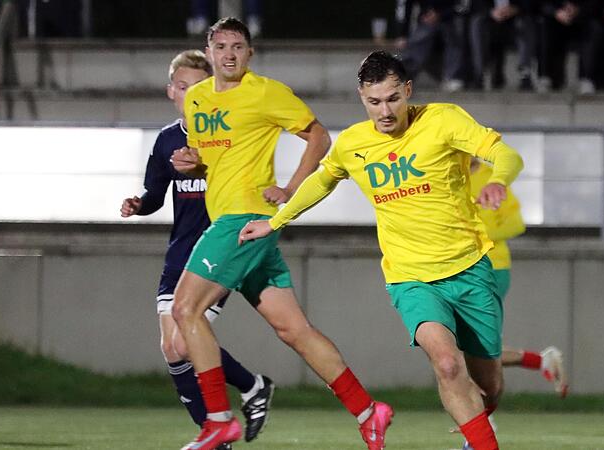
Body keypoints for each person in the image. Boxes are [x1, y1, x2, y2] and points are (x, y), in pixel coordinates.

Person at [240, 50, 525, 450]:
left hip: (470, 267)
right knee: (445, 362)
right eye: (374, 101)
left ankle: (480, 418)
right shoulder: (354, 143)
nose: (385, 110)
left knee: (489, 382)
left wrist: (499, 180)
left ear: (407, 90)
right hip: (410, 277)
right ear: (362, 97)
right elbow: (323, 181)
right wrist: (275, 221)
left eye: (393, 98)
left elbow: (505, 153)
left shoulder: (443, 120)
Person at [170, 18, 394, 450]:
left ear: (250, 53)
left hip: (245, 220)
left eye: (238, 46)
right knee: (294, 331)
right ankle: (369, 411)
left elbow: (319, 137)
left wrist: (291, 191)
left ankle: (218, 419)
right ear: (210, 51)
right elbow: (211, 158)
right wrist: (191, 163)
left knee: (185, 310)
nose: (230, 54)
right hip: (236, 223)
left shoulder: (266, 92)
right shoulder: (197, 99)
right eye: (221, 46)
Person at [119, 50, 274, 450]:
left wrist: (206, 167)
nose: (190, 94)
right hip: (179, 252)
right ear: (171, 90)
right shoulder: (168, 140)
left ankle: (223, 421)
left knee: (184, 341)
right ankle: (233, 409)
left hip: (218, 249)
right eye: (183, 87)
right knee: (172, 348)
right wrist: (140, 205)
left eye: (198, 87)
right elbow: (155, 194)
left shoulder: (226, 136)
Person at [469, 157, 569, 399]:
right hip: (457, 269)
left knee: (478, 349)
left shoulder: (491, 179)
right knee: (464, 350)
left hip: (492, 268)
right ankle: (543, 361)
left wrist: (473, 236)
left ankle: (481, 423)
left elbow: (515, 224)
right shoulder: (444, 176)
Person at [394, 0, 468, 92]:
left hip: (452, 16)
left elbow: (462, 5)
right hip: (427, 17)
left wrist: (441, 14)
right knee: (420, 38)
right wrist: (402, 34)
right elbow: (406, 6)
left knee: (454, 34)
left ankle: (453, 76)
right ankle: (404, 75)